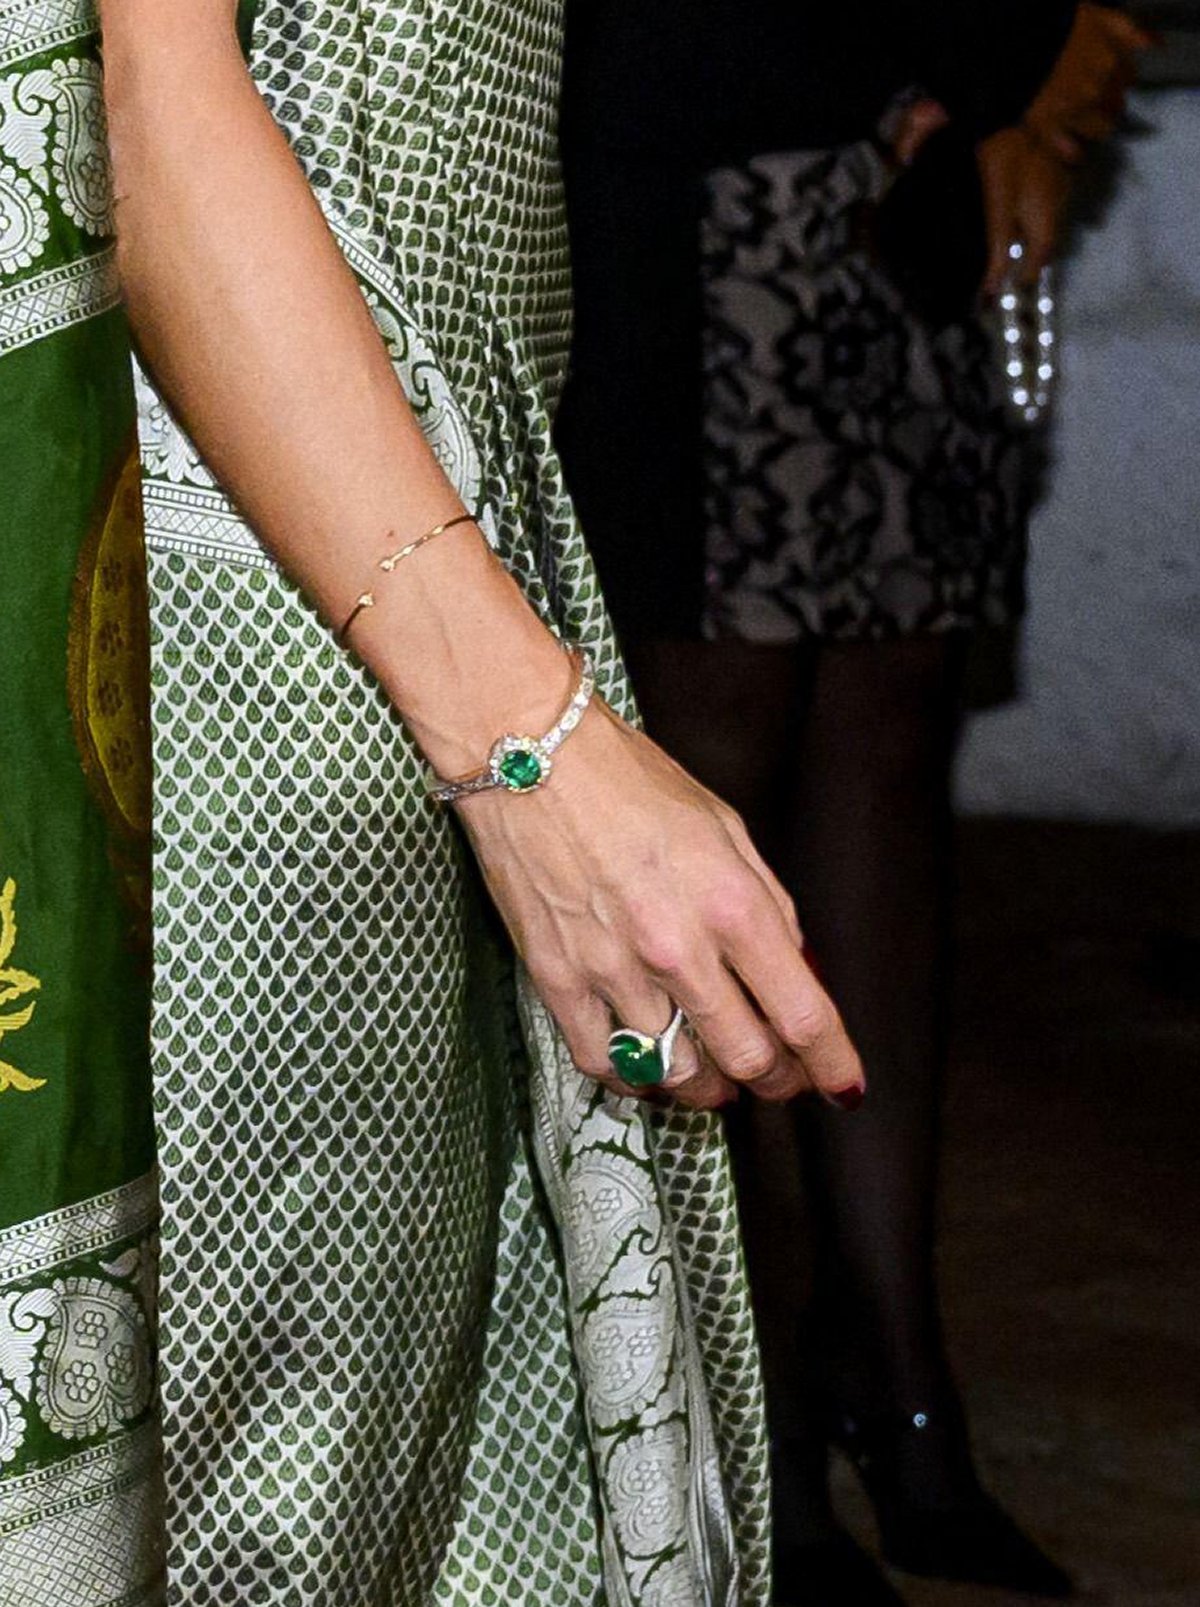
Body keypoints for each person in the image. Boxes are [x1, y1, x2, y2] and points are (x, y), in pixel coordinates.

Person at [0, 0, 866, 1600]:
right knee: (260, 1492)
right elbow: (144, 97)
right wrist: (529, 747)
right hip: (259, 629)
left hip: (392, 527)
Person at [557, 4, 1150, 1603]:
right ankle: (752, 1437)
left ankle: (899, 1383)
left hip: (908, 215)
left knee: (888, 760)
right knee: (708, 795)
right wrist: (1009, 47)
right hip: (695, 197)